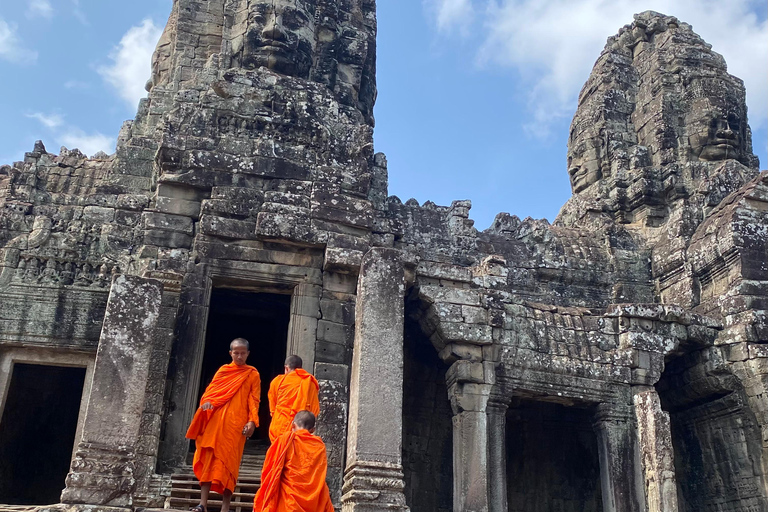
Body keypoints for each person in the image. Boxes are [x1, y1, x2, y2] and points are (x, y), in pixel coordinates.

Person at [185, 338, 261, 512]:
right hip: (215, 423)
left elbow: (254, 399)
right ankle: (202, 504)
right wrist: (207, 402)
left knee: (229, 465)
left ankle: (225, 508)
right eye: (236, 353)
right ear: (230, 353)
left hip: (236, 426)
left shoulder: (252, 374)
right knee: (208, 460)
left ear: (248, 354)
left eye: (243, 353)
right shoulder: (223, 371)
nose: (240, 356)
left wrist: (251, 421)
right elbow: (210, 393)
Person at [253, 411, 334, 512]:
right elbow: (319, 475)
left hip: (288, 500)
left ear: (293, 425)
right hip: (313, 501)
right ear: (313, 430)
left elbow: (270, 470)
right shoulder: (319, 446)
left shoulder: (284, 441)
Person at [267, 355, 320, 443]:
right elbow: (314, 410)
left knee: (278, 452)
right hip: (300, 426)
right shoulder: (309, 382)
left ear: (286, 368)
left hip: (279, 425)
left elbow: (273, 408)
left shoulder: (277, 381)